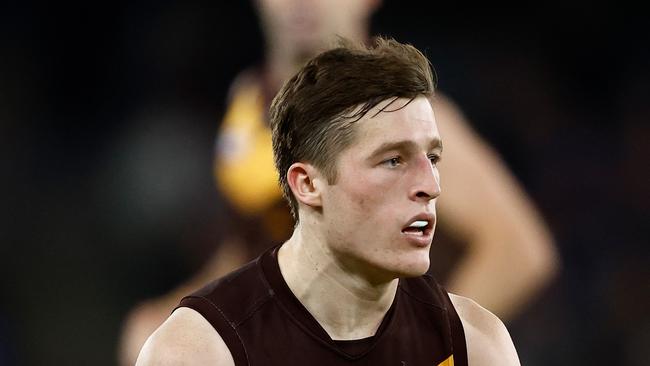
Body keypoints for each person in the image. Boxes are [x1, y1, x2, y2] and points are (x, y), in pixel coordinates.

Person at [119, 1, 558, 364]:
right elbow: (263, 241)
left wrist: (416, 341)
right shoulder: (248, 102)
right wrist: (183, 308)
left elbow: (521, 249)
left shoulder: (402, 117)